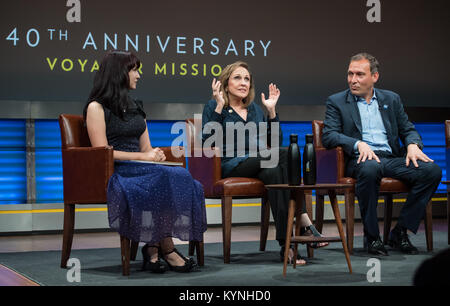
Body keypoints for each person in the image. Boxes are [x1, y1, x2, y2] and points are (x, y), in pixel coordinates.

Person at [83, 50, 207, 273]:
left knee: (182, 175)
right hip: (118, 172)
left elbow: (146, 148)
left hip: (141, 167)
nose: (138, 75)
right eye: (134, 70)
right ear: (119, 73)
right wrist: (143, 157)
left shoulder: (136, 107)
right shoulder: (96, 107)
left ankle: (152, 247)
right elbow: (102, 152)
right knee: (161, 178)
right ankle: (167, 249)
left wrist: (155, 155)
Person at [202, 61, 327, 266]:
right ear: (225, 84)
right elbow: (207, 142)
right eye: (237, 78)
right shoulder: (213, 106)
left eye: (247, 79)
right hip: (231, 164)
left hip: (261, 164)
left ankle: (285, 246)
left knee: (275, 172)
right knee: (284, 155)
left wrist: (271, 112)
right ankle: (304, 220)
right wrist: (218, 106)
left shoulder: (254, 110)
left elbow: (275, 142)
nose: (243, 83)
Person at [322, 53, 442, 256]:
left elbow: (408, 129)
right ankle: (372, 238)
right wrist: (358, 144)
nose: (353, 80)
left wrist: (413, 144)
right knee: (370, 167)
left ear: (374, 77)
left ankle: (400, 231)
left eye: (360, 74)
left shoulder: (391, 99)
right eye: (350, 74)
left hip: (391, 158)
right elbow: (329, 135)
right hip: (360, 161)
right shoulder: (337, 101)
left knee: (432, 171)